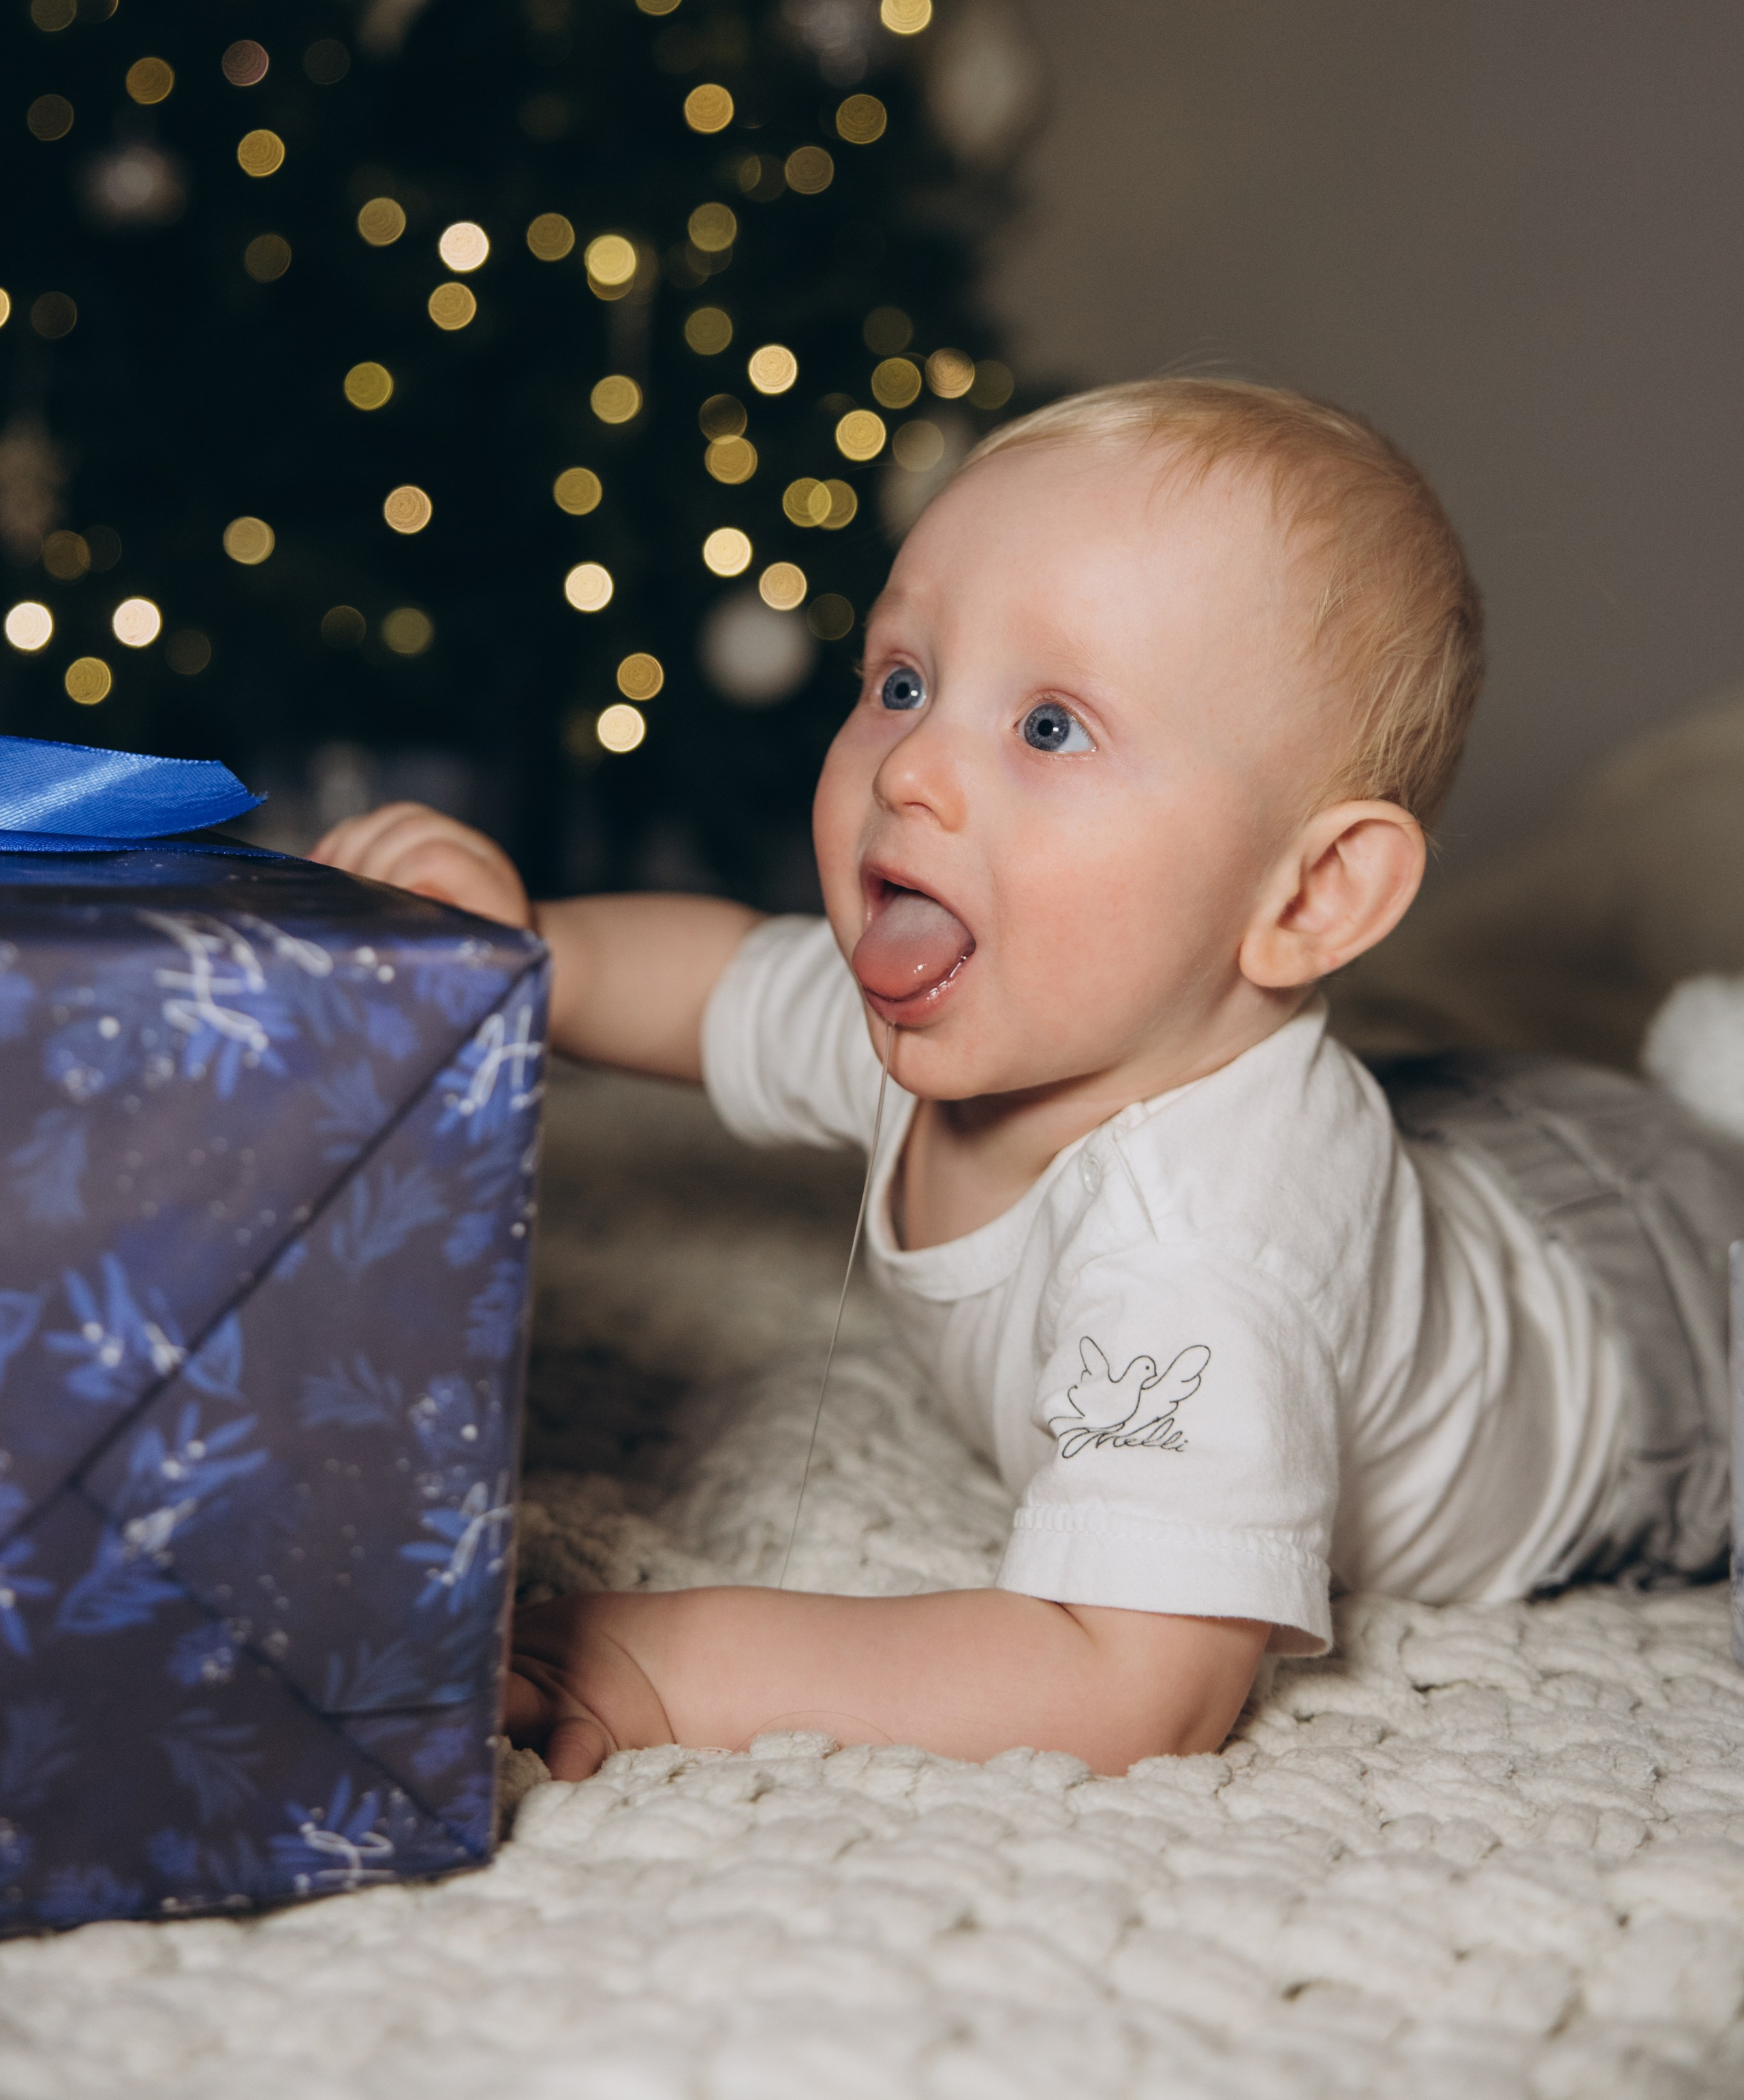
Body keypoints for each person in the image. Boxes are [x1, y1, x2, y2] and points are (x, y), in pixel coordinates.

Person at [313, 380, 1740, 1780]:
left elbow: (1132, 1680)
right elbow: (719, 980)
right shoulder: (983, 1003)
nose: (914, 766)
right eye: (901, 681)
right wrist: (516, 942)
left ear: (1306, 900)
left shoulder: (1207, 1236)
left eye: (1047, 725)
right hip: (1474, 1142)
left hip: (1651, 1346)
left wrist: (658, 1661)